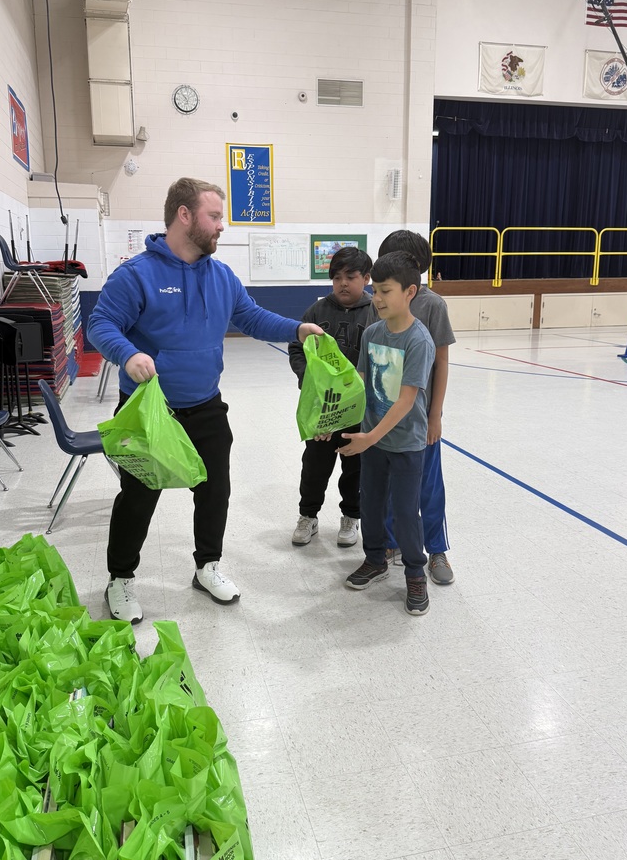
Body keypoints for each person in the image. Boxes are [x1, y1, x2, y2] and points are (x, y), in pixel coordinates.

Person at [87, 177, 323, 624]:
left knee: (215, 491)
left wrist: (296, 329)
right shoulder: (136, 275)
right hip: (149, 412)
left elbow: (251, 317)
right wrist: (128, 353)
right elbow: (100, 324)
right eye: (214, 216)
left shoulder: (220, 275)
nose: (221, 227)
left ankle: (207, 567)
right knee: (139, 497)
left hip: (206, 405)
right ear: (184, 215)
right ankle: (120, 579)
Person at [339, 251, 435, 616]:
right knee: (372, 503)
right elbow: (360, 382)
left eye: (385, 291)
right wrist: (333, 421)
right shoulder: (374, 333)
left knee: (407, 513)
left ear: (410, 292)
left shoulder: (419, 341)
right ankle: (375, 559)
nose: (376, 299)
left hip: (404, 442)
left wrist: (370, 437)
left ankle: (415, 572)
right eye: (375, 290)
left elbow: (407, 400)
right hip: (373, 440)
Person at [367, 230, 456, 585]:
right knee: (388, 487)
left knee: (428, 486)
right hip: (386, 416)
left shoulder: (432, 305)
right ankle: (391, 544)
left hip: (419, 418)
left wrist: (434, 416)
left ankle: (436, 549)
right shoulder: (378, 302)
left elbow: (443, 362)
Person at [287, 246, 372, 548]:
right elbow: (297, 349)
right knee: (314, 466)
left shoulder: (375, 313)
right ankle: (308, 516)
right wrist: (308, 380)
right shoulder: (316, 312)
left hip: (359, 413)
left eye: (351, 276)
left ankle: (351, 517)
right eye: (337, 277)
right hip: (323, 409)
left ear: (366, 278)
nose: (343, 283)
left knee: (355, 469)